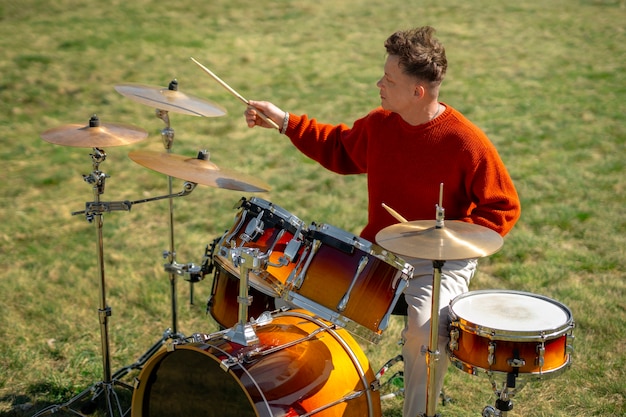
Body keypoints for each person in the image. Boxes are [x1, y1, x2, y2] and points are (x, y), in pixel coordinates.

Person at [244, 26, 521, 416]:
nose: (379, 84)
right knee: (301, 307)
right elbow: (338, 148)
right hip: (380, 251)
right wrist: (285, 120)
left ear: (417, 92)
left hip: (440, 262)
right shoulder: (380, 125)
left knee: (425, 336)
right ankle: (301, 403)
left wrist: (458, 240)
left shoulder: (466, 142)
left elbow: (502, 205)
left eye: (388, 80)